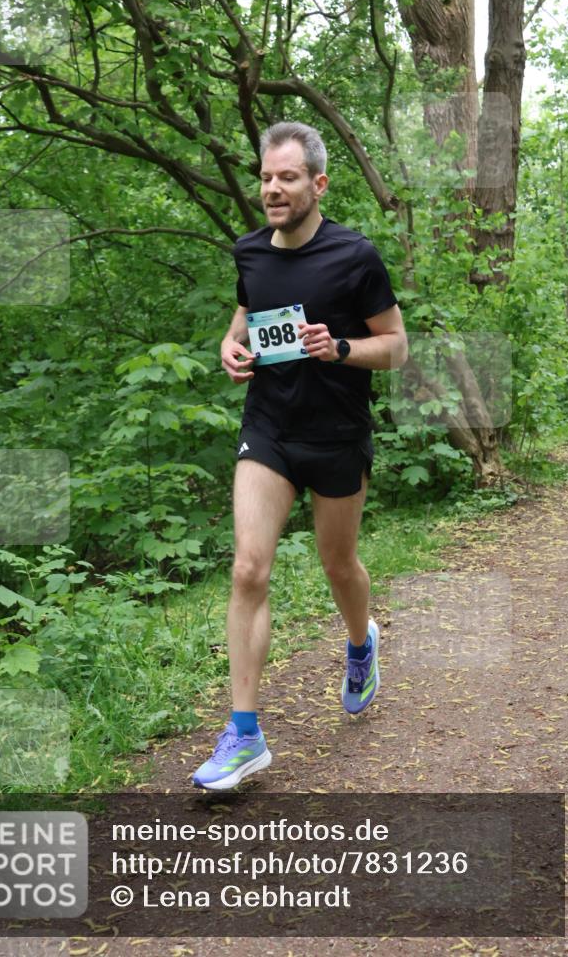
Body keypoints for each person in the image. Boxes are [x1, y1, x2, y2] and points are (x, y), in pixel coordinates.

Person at [192, 121, 408, 791]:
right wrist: (230, 347)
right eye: (265, 177)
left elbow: (396, 347)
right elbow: (242, 318)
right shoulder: (249, 252)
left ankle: (358, 642)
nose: (272, 189)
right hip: (270, 429)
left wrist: (338, 348)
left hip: (337, 435)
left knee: (337, 564)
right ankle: (244, 735)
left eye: (287, 177)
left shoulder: (354, 256)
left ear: (316, 183)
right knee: (248, 567)